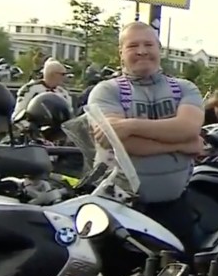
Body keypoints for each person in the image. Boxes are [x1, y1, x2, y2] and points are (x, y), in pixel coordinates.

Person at [87, 21, 204, 254]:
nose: (142, 50)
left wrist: (129, 125)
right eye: (133, 45)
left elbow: (187, 127)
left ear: (159, 49)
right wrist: (183, 145)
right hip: (121, 212)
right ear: (121, 53)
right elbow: (117, 143)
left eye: (148, 44)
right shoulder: (106, 91)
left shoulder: (184, 88)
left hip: (174, 209)